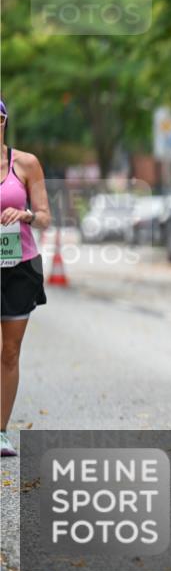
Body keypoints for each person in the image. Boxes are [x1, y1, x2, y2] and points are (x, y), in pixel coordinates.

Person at [0, 96, 51, 457]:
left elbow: (46, 216)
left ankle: (0, 431)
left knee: (10, 352)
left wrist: (26, 215)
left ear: (3, 121)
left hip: (19, 266)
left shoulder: (26, 163)